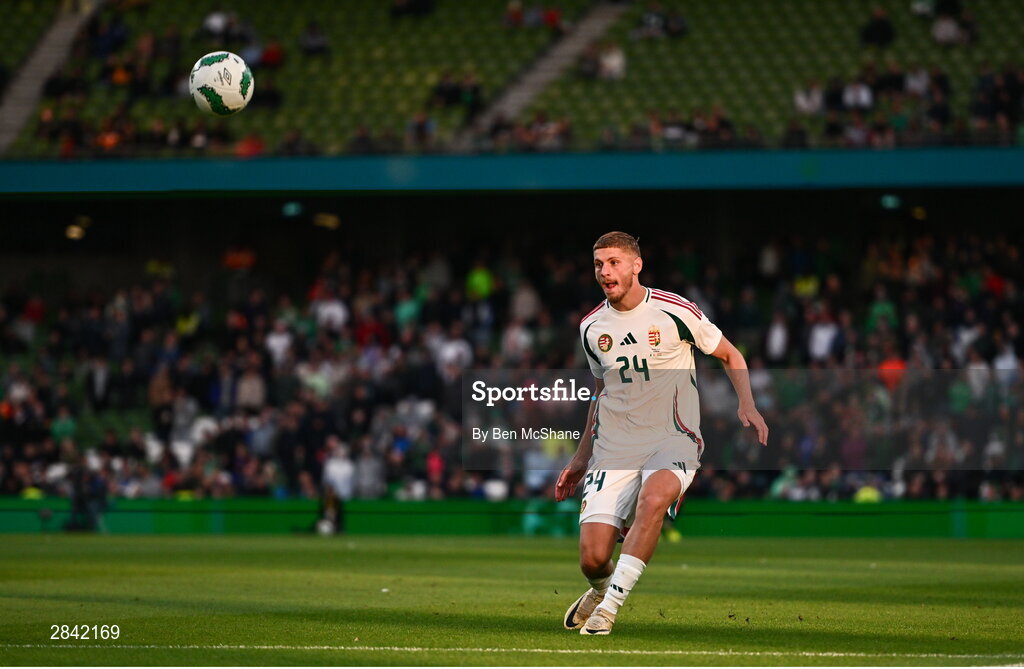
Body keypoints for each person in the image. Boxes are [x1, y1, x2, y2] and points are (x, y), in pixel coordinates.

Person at [556, 232, 768, 635]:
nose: (605, 271)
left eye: (614, 262)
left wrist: (747, 403)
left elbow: (729, 353)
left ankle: (609, 609)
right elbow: (600, 394)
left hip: (673, 436)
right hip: (614, 445)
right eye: (599, 264)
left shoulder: (674, 310)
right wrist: (581, 457)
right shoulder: (591, 327)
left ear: (637, 265)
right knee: (592, 558)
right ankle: (600, 589)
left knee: (653, 501)